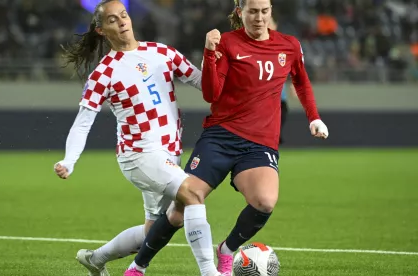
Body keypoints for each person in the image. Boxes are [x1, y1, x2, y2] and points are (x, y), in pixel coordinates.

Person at [126, 0, 329, 275]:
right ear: (240, 12)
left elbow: (302, 81)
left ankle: (226, 249)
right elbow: (211, 93)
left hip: (259, 144)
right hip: (221, 137)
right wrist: (209, 53)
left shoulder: (289, 45)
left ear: (271, 12)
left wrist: (314, 117)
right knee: (181, 207)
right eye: (253, 12)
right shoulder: (227, 43)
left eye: (264, 11)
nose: (259, 18)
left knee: (265, 202)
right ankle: (138, 266)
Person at [53, 1, 221, 276]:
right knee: (192, 193)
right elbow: (83, 122)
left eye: (124, 15)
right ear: (101, 30)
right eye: (112, 19)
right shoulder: (104, 73)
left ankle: (95, 259)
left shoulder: (161, 52)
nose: (121, 21)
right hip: (139, 155)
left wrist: (212, 56)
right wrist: (69, 160)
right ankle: (209, 272)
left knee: (155, 231)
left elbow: (204, 83)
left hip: (168, 153)